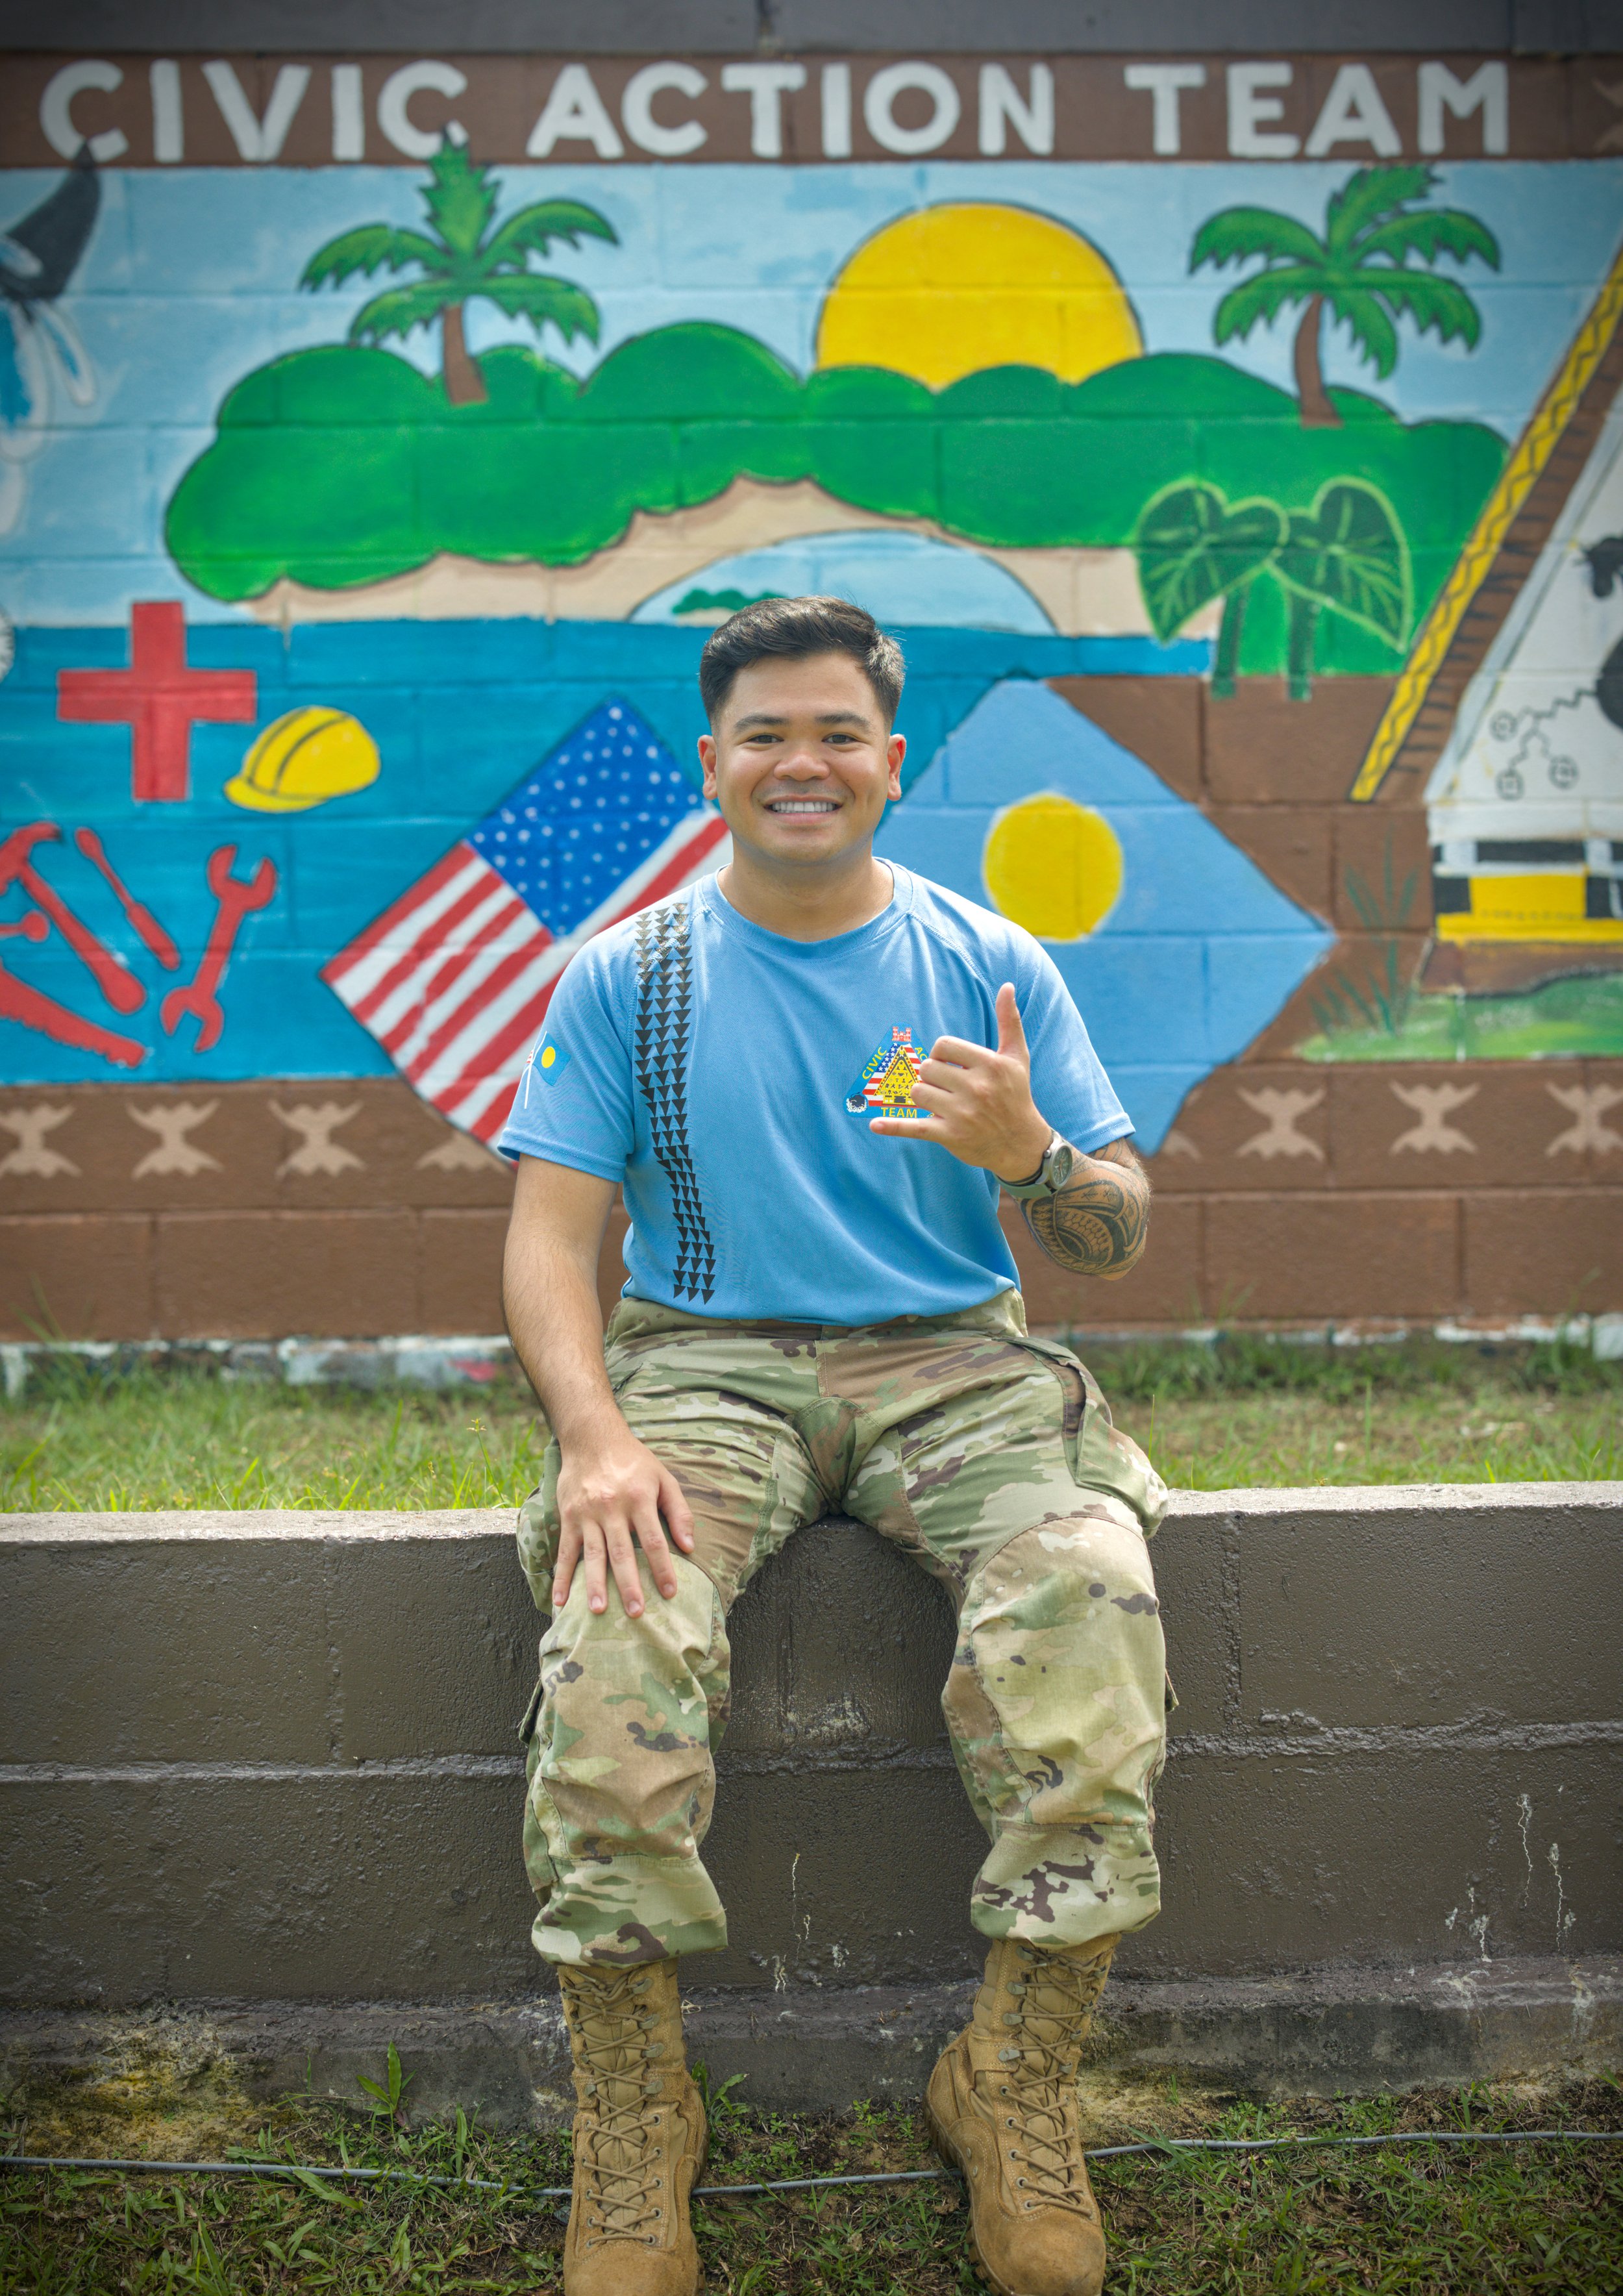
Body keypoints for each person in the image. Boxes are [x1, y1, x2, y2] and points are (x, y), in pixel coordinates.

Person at [501, 596, 1169, 2296]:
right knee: (612, 1639)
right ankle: (638, 2116)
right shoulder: (626, 977)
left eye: (836, 733)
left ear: (888, 755)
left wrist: (1031, 1157)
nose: (802, 762)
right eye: (763, 735)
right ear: (714, 762)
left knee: (1088, 1608)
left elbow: (1112, 1232)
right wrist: (591, 1438)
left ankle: (1006, 2082)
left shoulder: (990, 964)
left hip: (956, 1367)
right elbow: (545, 1236)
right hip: (705, 1371)